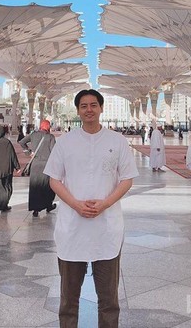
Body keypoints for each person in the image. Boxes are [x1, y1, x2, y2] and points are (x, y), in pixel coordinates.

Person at [44, 88, 138, 328]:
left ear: (101, 108)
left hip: (106, 229)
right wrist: (75, 204)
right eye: (84, 106)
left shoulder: (117, 141)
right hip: (72, 228)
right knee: (68, 300)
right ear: (78, 110)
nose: (89, 110)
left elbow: (127, 179)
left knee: (108, 300)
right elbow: (54, 179)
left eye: (93, 105)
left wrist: (105, 203)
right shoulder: (66, 142)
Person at [19, 119, 57, 217]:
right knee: (47, 186)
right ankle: (48, 205)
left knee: (35, 187)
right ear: (48, 127)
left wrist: (28, 152)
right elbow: (54, 152)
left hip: (35, 165)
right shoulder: (50, 137)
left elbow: (22, 142)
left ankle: (35, 209)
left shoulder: (33, 135)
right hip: (46, 165)